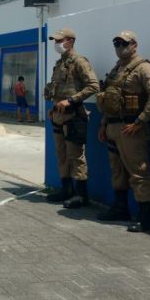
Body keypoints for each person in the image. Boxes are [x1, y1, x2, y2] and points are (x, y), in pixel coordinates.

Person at [96, 31, 150, 232]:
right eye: (116, 43)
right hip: (112, 127)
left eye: (123, 43)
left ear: (134, 44)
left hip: (131, 130)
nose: (119, 47)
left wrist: (140, 121)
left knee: (139, 172)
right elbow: (110, 101)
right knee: (117, 170)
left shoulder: (144, 68)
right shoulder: (116, 69)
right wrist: (104, 125)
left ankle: (145, 219)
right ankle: (120, 208)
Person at [44, 28, 99, 209]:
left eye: (60, 40)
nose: (56, 44)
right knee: (62, 155)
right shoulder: (60, 64)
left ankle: (81, 195)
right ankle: (66, 190)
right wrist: (54, 108)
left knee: (76, 156)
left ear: (70, 41)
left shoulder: (79, 62)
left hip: (74, 116)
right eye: (55, 41)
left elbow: (93, 86)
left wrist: (71, 100)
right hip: (59, 117)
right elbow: (57, 90)